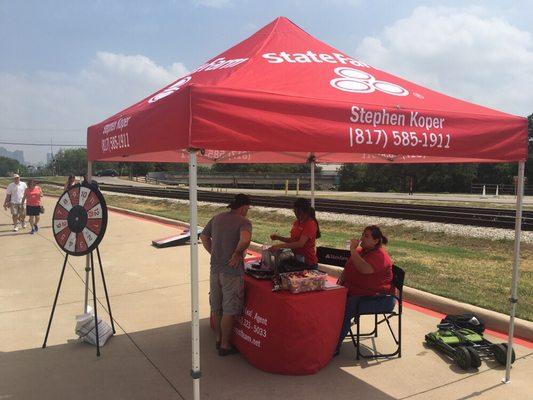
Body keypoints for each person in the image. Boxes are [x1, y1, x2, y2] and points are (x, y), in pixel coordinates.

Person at [200, 193, 252, 356]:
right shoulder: (244, 222)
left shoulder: (217, 217)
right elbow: (244, 240)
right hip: (232, 271)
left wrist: (212, 252)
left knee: (217, 305)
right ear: (243, 207)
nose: (247, 211)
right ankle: (225, 345)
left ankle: (217, 338)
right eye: (247, 208)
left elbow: (203, 236)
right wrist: (237, 253)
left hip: (215, 269)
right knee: (229, 307)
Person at [334, 225, 394, 355]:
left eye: (366, 236)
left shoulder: (380, 256)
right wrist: (340, 283)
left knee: (347, 307)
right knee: (332, 301)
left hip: (380, 299)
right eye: (362, 234)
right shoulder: (362, 251)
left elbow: (364, 269)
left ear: (376, 240)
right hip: (360, 294)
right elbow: (348, 267)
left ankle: (334, 347)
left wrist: (352, 250)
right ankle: (327, 338)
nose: (362, 238)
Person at [269, 198, 321, 269]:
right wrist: (278, 237)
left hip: (308, 263)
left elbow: (300, 244)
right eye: (294, 211)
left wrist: (279, 246)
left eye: (297, 211)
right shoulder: (296, 223)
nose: (295, 213)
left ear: (303, 211)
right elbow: (293, 240)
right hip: (298, 261)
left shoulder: (310, 224)